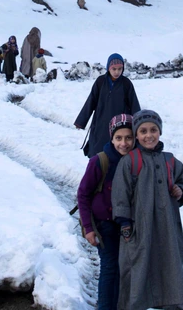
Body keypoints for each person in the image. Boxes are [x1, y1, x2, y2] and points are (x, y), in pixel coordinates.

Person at [111, 109, 183, 310]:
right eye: (143, 131)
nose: (149, 135)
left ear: (160, 132)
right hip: (139, 227)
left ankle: (174, 305)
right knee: (136, 269)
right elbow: (120, 193)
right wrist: (125, 223)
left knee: (170, 267)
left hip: (167, 228)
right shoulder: (130, 161)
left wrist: (180, 190)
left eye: (153, 130)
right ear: (137, 135)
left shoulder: (170, 160)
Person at [77, 114, 134, 310]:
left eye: (129, 137)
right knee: (110, 268)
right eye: (119, 138)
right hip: (105, 225)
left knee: (126, 269)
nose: (124, 143)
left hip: (130, 226)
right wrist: (88, 227)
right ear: (111, 138)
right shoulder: (100, 161)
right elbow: (83, 194)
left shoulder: (138, 161)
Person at [74, 53, 141, 158]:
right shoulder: (100, 82)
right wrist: (81, 122)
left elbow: (134, 105)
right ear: (108, 68)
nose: (117, 72)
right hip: (101, 122)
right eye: (114, 69)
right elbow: (91, 101)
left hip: (120, 124)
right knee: (98, 151)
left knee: (118, 150)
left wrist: (139, 125)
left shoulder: (126, 84)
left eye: (120, 69)